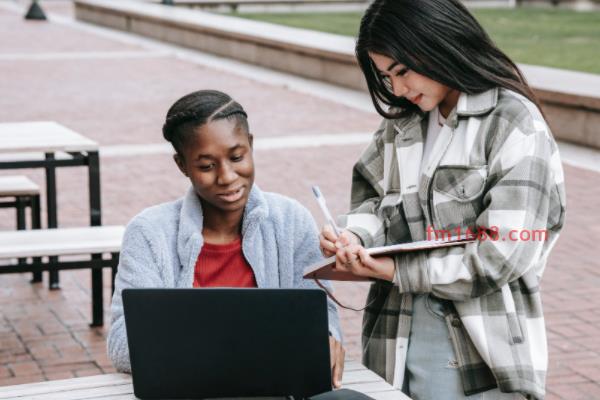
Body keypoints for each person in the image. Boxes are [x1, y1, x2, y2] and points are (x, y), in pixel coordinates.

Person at [319, 0, 566, 399]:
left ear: (439, 44)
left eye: (402, 71)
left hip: (478, 342)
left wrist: (394, 272)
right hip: (394, 331)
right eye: (386, 76)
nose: (397, 89)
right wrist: (353, 237)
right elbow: (373, 201)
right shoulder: (401, 124)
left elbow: (501, 255)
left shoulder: (513, 123)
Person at [108, 89, 345, 387]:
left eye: (237, 157)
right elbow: (121, 343)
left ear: (251, 146)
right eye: (207, 166)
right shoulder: (148, 233)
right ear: (182, 165)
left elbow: (322, 314)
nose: (227, 176)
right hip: (186, 391)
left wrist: (326, 338)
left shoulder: (291, 220)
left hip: (274, 390)